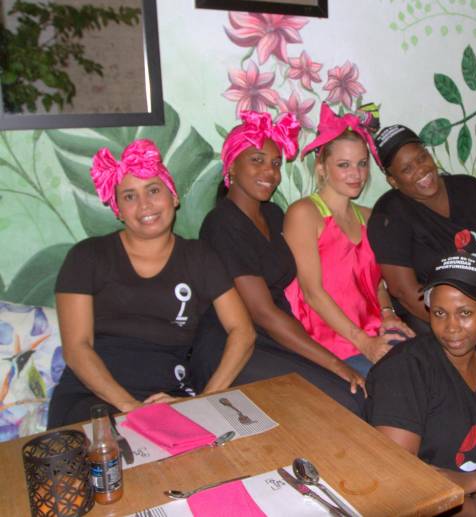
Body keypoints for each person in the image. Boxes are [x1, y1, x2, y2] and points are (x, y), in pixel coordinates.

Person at [48, 140, 255, 427]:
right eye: (129, 196)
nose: (144, 205)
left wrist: (204, 401)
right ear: (118, 209)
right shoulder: (87, 256)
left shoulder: (199, 257)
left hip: (171, 398)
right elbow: (77, 348)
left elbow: (242, 332)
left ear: (174, 197)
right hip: (92, 400)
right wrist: (130, 408)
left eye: (153, 190)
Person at [196, 110, 366, 416]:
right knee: (343, 399)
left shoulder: (273, 215)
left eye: (276, 164)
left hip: (273, 337)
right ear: (232, 166)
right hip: (233, 345)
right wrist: (332, 361)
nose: (270, 172)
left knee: (353, 394)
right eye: (257, 160)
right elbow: (261, 311)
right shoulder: (221, 223)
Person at [367, 254, 476, 516]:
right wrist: (474, 507)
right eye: (440, 313)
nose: (451, 327)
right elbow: (400, 475)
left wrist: (475, 484)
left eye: (465, 313)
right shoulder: (406, 369)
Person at [284, 104, 413, 376]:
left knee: (429, 369)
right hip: (329, 345)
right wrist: (363, 342)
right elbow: (312, 293)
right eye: (343, 165)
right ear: (321, 167)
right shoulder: (304, 214)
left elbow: (375, 282)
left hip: (374, 333)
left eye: (362, 164)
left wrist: (388, 313)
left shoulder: (369, 217)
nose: (356, 174)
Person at [367, 124, 476, 333]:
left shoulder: (469, 188)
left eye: (422, 158)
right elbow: (405, 293)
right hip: (444, 324)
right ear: (393, 180)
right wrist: (461, 327)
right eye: (407, 169)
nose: (421, 170)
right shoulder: (389, 214)